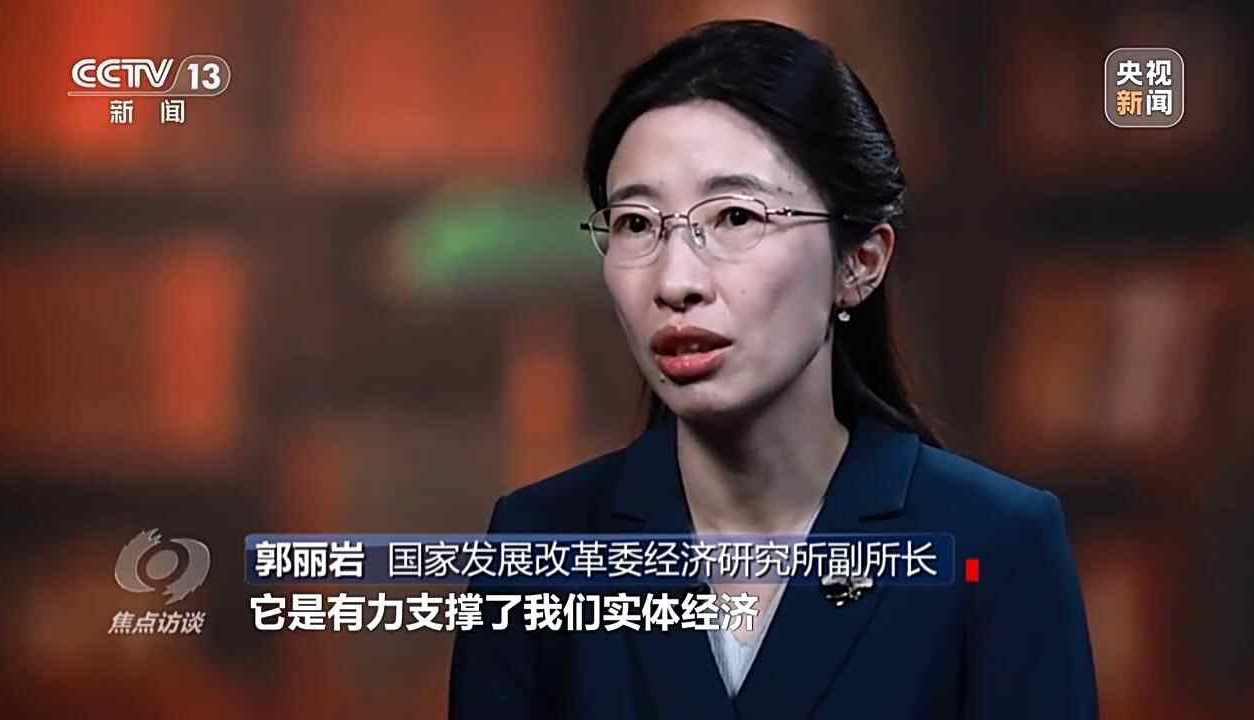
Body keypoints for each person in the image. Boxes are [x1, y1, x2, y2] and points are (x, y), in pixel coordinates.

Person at [449, 18, 1098, 719]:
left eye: (735, 217)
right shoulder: (539, 543)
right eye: (637, 223)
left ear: (859, 263)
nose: (676, 281)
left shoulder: (995, 543)